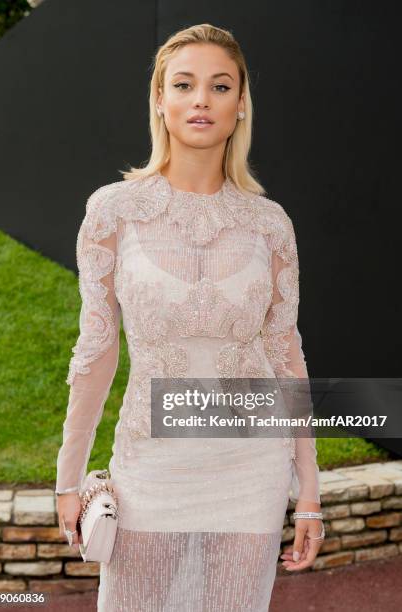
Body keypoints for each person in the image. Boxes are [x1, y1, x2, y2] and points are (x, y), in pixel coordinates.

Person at [55, 23, 324, 612]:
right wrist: (68, 477)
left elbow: (286, 357)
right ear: (160, 100)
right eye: (184, 84)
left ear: (240, 105)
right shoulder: (112, 212)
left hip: (252, 467)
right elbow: (96, 350)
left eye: (220, 85)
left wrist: (309, 492)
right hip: (150, 468)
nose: (201, 98)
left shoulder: (270, 223)